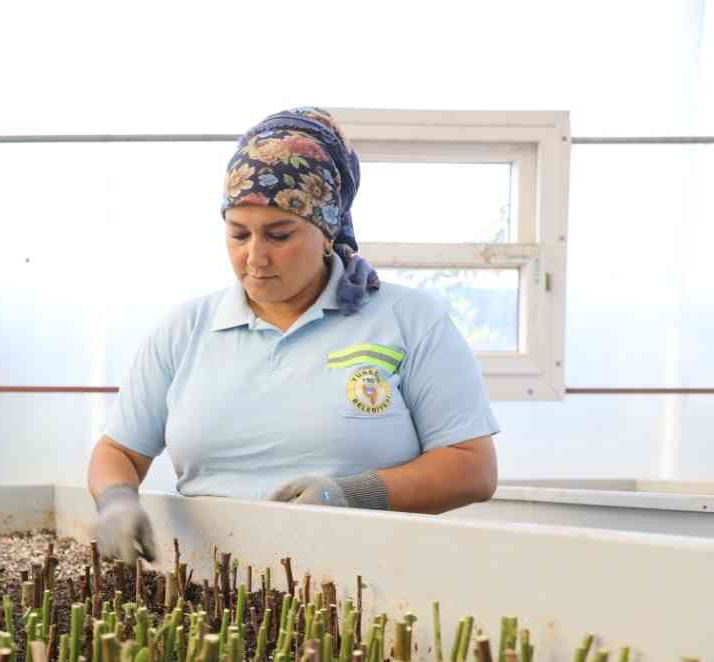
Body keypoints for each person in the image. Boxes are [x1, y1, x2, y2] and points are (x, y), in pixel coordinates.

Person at [89, 108, 499, 564]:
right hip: (213, 590)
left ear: (327, 231)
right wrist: (117, 500)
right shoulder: (185, 330)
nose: (255, 257)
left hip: (371, 588)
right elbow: (119, 450)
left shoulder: (407, 319)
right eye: (238, 234)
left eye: (279, 234)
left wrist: (350, 494)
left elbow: (472, 466)